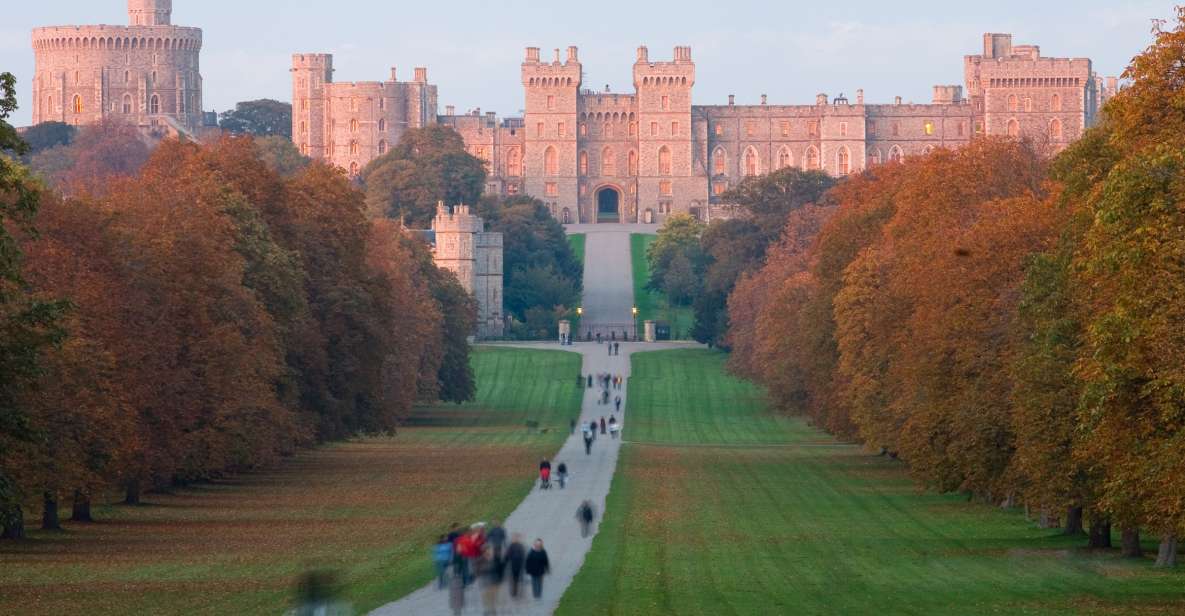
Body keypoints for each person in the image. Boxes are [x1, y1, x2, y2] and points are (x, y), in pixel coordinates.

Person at [477, 544, 504, 616]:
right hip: (485, 582)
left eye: (489, 550)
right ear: (484, 552)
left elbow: (501, 569)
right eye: (487, 550)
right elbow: (478, 571)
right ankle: (487, 611)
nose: (489, 552)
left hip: (495, 581)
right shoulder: (480, 559)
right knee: (486, 598)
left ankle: (493, 610)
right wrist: (486, 569)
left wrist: (500, 580)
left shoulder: (496, 559)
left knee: (494, 597)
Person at [505, 533, 527, 599]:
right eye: (514, 538)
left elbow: (523, 555)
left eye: (516, 538)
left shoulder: (520, 546)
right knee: (514, 579)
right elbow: (508, 555)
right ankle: (514, 592)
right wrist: (506, 561)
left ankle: (518, 591)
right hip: (513, 565)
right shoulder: (511, 546)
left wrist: (523, 563)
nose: (515, 539)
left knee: (518, 578)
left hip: (519, 565)